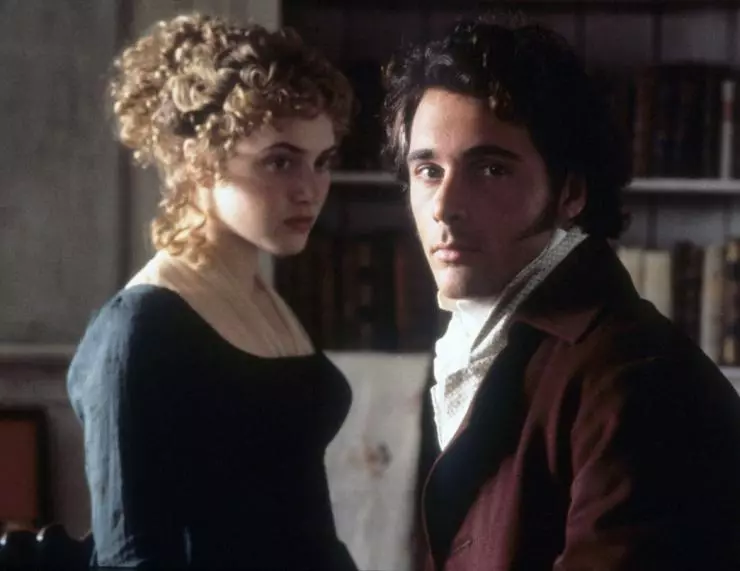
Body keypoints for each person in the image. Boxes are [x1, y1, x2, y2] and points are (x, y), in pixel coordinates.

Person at [383, 13, 740, 571]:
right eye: (428, 170)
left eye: (490, 170)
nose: (445, 207)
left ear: (570, 193)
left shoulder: (633, 378)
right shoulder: (474, 347)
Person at [66, 12, 357, 569]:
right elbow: (132, 558)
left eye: (322, 162)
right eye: (280, 161)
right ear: (196, 161)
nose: (310, 190)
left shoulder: (266, 300)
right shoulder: (139, 329)